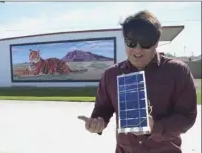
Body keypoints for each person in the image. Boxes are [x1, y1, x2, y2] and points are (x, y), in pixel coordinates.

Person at [78, 10, 197, 153]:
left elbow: (187, 117)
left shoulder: (177, 71)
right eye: (131, 43)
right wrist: (97, 122)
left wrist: (155, 127)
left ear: (156, 43)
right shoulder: (111, 75)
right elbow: (103, 108)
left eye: (145, 44)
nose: (137, 50)